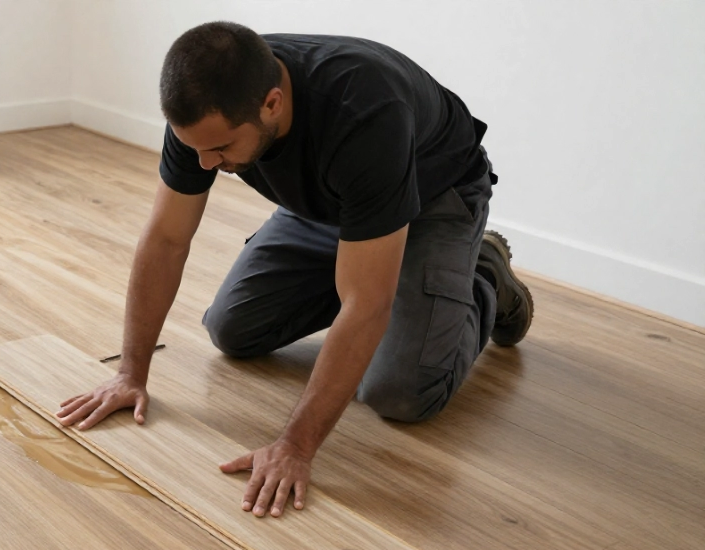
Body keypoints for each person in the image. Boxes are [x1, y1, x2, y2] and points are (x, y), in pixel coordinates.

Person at [57, 22, 533, 520]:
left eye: (219, 151)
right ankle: (369, 266)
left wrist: (295, 447)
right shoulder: (207, 107)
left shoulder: (365, 112)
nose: (204, 162)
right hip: (336, 205)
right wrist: (130, 373)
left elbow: (368, 304)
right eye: (195, 147)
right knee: (233, 328)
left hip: (433, 199)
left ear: (272, 104)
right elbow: (166, 239)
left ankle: (483, 277)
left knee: (400, 393)